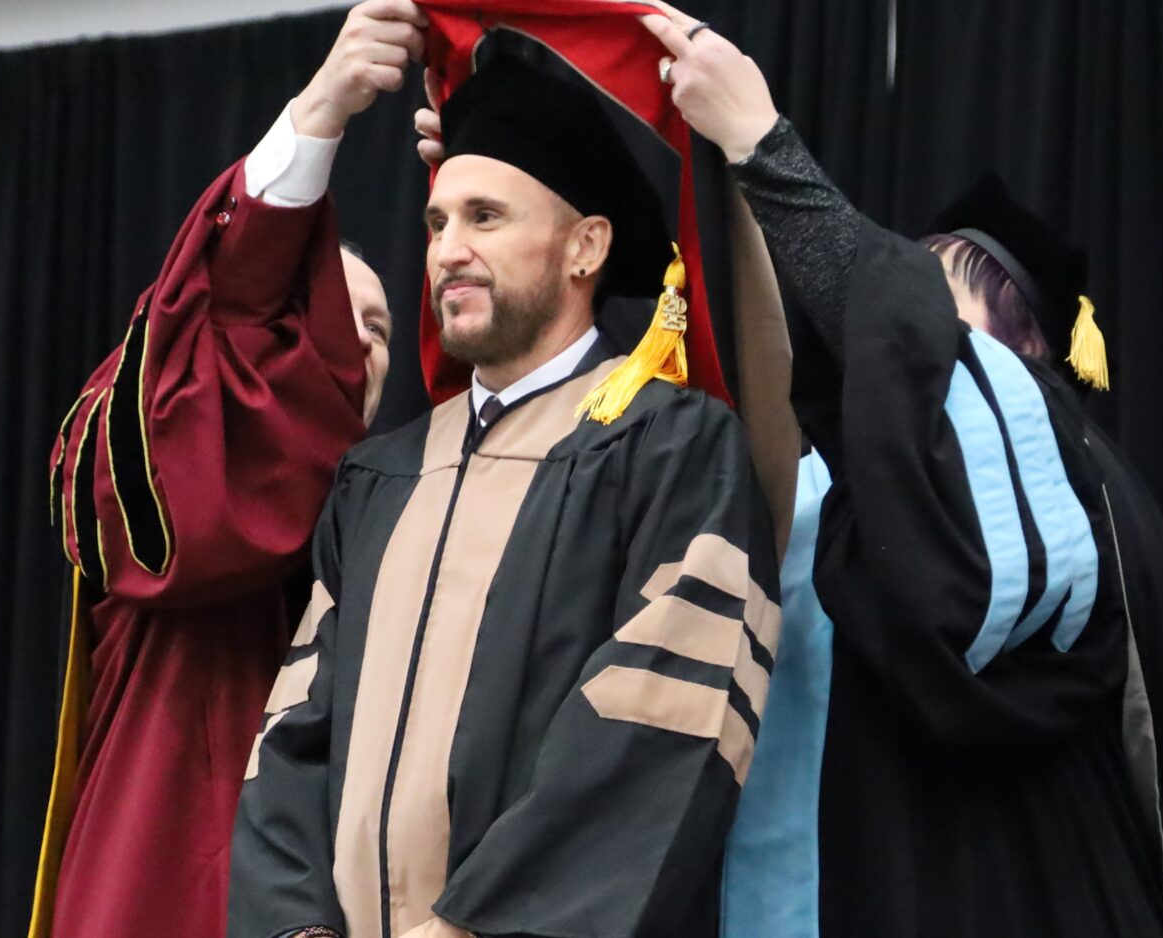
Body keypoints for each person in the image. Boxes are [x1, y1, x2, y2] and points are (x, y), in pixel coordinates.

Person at [644, 10, 1163, 937]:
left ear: (1023, 353)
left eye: (918, 319)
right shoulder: (857, 489)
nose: (874, 359)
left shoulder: (1057, 481)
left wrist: (760, 143)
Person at [227, 52, 778, 938]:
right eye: (439, 220)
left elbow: (663, 719)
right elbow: (298, 730)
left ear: (586, 246)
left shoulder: (669, 446)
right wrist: (296, 927)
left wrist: (471, 926)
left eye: (485, 217)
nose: (449, 250)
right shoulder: (382, 479)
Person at [28, 3, 415, 936]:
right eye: (326, 325)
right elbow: (220, 339)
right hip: (176, 889)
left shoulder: (396, 525)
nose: (353, 349)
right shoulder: (184, 481)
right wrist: (317, 118)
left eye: (378, 332)